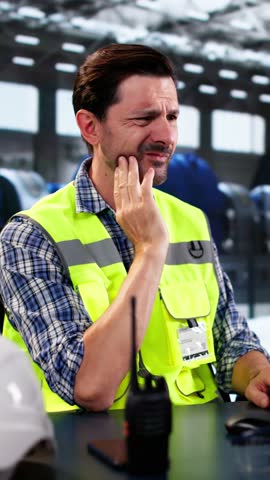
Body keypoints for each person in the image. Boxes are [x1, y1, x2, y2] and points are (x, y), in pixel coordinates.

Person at [0, 43, 270, 413]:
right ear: (90, 126)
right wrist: (149, 249)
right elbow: (89, 387)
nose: (166, 136)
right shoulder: (31, 237)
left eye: (172, 117)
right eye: (143, 119)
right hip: (84, 458)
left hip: (199, 452)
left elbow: (229, 339)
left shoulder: (189, 221)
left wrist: (255, 372)